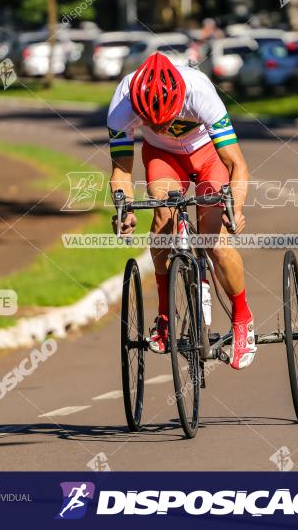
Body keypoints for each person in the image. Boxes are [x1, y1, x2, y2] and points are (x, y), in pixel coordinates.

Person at [107, 53, 255, 370]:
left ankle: (242, 317)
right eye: (152, 122)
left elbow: (235, 163)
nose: (159, 125)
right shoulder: (122, 103)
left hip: (208, 155)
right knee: (163, 215)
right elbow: (121, 171)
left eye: (166, 118)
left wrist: (236, 207)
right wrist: (124, 210)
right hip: (163, 157)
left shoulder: (199, 90)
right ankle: (164, 315)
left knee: (215, 241)